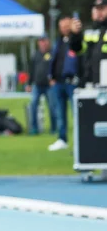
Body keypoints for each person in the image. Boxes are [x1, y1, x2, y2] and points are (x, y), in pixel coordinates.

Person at [48, 17, 81, 152]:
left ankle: (80, 140)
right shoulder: (59, 42)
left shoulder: (75, 41)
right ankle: (62, 139)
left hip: (71, 82)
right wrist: (51, 76)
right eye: (61, 27)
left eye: (66, 26)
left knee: (76, 113)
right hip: (58, 82)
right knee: (60, 114)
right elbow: (54, 59)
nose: (64, 29)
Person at [70, 0, 107, 86]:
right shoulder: (89, 31)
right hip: (90, 83)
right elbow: (78, 50)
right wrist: (75, 35)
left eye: (102, 8)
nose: (99, 12)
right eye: (96, 9)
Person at [26, 35, 56, 135]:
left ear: (48, 42)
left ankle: (54, 128)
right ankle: (34, 128)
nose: (43, 43)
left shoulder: (53, 53)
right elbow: (32, 70)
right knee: (33, 105)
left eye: (44, 41)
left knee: (52, 107)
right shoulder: (36, 55)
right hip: (37, 85)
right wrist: (29, 84)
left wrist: (54, 79)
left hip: (49, 86)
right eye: (41, 41)